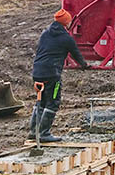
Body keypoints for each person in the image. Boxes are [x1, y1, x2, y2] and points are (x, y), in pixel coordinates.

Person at [29, 9, 89, 142]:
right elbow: (77, 55)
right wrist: (85, 65)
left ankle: (33, 131)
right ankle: (44, 133)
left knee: (41, 101)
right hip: (52, 75)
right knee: (53, 102)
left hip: (37, 73)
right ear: (66, 23)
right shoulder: (66, 39)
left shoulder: (45, 34)